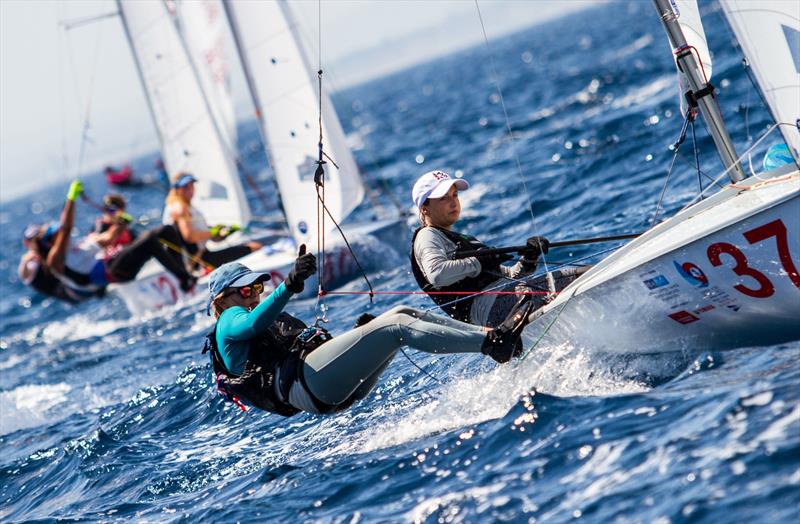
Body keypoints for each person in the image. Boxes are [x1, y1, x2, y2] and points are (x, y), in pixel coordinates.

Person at [202, 251, 533, 416]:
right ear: (224, 297)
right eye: (247, 290)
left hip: (322, 387)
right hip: (310, 386)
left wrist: (360, 336)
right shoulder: (229, 320)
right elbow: (253, 325)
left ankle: (491, 335)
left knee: (399, 316)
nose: (256, 292)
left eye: (259, 285)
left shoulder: (247, 311)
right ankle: (494, 343)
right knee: (396, 328)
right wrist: (288, 285)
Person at [410, 170, 584, 327]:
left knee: (576, 277)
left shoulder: (458, 238)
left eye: (455, 195)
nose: (453, 202)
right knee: (581, 277)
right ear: (424, 208)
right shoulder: (427, 236)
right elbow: (437, 275)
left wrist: (529, 258)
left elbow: (510, 276)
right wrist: (478, 262)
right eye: (443, 198)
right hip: (490, 308)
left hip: (505, 298)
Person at [20, 180, 197, 302]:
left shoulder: (79, 245)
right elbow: (66, 229)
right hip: (113, 272)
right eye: (55, 235)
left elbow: (107, 239)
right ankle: (185, 280)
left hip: (116, 263)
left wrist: (119, 223)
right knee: (150, 240)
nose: (60, 234)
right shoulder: (54, 261)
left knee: (166, 230)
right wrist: (71, 198)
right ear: (50, 243)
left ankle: (184, 273)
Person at [164, 173, 261, 269]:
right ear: (176, 189)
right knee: (255, 247)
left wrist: (223, 232)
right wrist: (213, 232)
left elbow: (208, 238)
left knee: (250, 246)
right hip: (198, 263)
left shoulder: (179, 205)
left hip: (202, 256)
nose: (190, 190)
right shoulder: (180, 207)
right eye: (185, 187)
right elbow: (189, 236)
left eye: (191, 185)